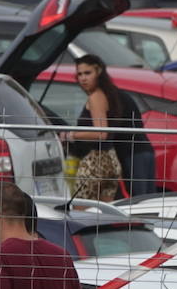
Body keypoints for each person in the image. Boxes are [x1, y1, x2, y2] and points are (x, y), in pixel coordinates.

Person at [63, 53, 155, 198]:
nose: (83, 78)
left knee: (84, 207)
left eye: (87, 73)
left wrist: (71, 135)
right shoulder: (111, 93)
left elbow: (101, 133)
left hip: (111, 158)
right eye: (79, 74)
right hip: (125, 155)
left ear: (99, 72)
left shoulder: (97, 96)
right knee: (144, 203)